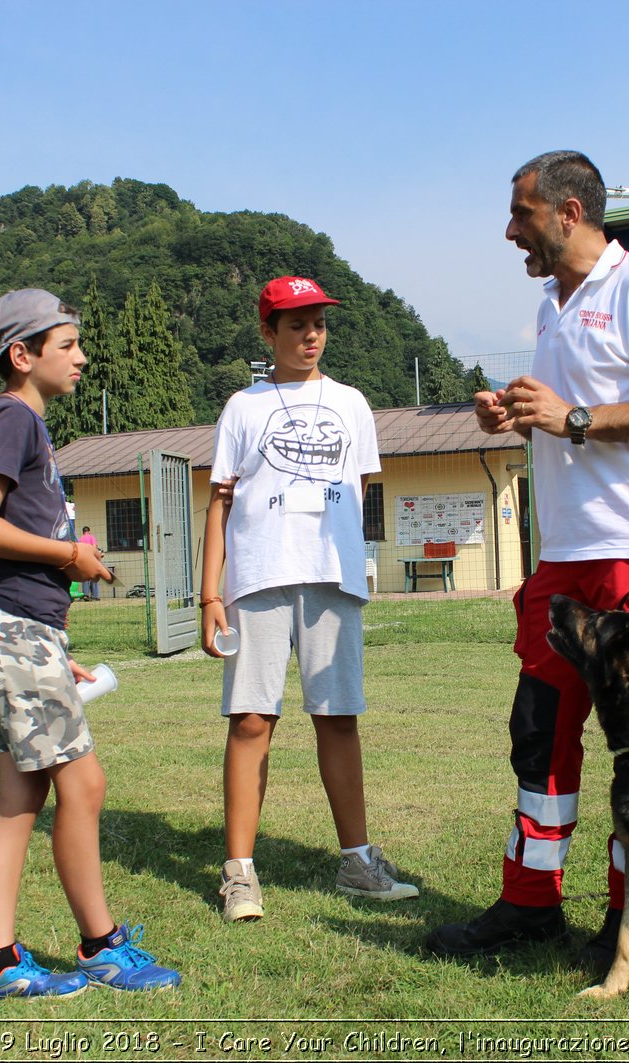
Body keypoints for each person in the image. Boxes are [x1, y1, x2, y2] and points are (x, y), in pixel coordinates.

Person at [424, 151, 629, 967]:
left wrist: (576, 416)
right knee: (539, 727)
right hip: (569, 555)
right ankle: (530, 902)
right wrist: (518, 417)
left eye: (520, 212)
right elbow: (564, 419)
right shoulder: (554, 306)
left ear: (567, 213)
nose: (509, 229)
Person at [0, 288, 180, 999]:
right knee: (82, 782)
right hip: (11, 627)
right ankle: (101, 946)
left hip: (17, 629)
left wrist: (48, 642)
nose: (81, 357)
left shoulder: (24, 425)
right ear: (22, 356)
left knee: (21, 793)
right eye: (67, 345)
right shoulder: (13, 418)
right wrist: (67, 555)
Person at [199, 275, 418, 924]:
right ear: (269, 332)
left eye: (318, 321)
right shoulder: (243, 407)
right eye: (295, 323)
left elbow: (360, 485)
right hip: (259, 578)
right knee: (250, 719)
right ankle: (239, 873)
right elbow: (220, 501)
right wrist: (211, 592)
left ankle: (357, 860)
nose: (311, 333)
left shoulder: (352, 403)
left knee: (339, 716)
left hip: (331, 577)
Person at [77, 526, 105, 599]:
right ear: (89, 531)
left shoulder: (80, 539)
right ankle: (95, 596)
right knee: (94, 576)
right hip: (91, 559)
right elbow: (94, 547)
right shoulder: (91, 537)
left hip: (83, 560)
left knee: (85, 577)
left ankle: (86, 595)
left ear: (83, 532)